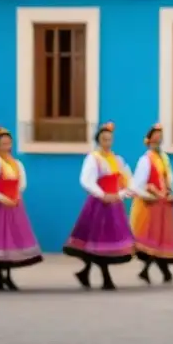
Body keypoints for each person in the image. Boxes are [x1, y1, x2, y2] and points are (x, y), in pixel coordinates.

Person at [63, 121, 136, 289]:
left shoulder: (117, 159)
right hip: (98, 205)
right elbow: (86, 180)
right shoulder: (94, 158)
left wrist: (124, 193)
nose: (107, 143)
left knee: (100, 243)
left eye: (109, 139)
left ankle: (86, 273)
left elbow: (126, 178)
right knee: (99, 242)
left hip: (114, 204)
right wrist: (103, 195)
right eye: (104, 139)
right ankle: (105, 278)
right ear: (98, 140)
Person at [0, 125, 42, 289]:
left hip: (15, 205)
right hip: (0, 207)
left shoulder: (16, 164)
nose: (6, 147)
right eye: (3, 144)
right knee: (1, 239)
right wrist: (1, 198)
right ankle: (0, 275)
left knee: (13, 239)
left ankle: (8, 275)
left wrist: (17, 195)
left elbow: (22, 183)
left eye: (8, 143)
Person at [129, 124, 173, 285]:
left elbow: (169, 178)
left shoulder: (164, 158)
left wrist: (171, 193)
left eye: (160, 138)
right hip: (151, 205)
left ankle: (160, 272)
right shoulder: (145, 160)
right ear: (149, 141)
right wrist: (148, 195)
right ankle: (161, 272)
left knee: (160, 239)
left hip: (163, 204)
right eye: (155, 138)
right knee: (153, 239)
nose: (158, 141)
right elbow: (137, 183)